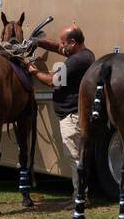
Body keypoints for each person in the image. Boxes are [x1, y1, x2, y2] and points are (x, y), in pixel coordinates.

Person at [27, 25, 95, 165]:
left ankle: (79, 188)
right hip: (75, 114)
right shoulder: (85, 54)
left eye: (64, 42)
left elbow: (53, 81)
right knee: (78, 157)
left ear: (73, 43)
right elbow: (57, 47)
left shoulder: (77, 61)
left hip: (72, 117)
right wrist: (38, 42)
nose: (61, 46)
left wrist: (33, 71)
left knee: (74, 157)